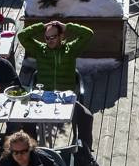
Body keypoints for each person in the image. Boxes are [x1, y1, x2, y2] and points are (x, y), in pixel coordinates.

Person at [17, 20, 96, 148]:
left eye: (53, 37)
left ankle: (84, 151)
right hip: (43, 98)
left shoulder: (70, 50)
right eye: (47, 38)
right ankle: (32, 150)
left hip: (66, 99)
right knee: (27, 120)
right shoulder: (39, 50)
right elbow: (22, 36)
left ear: (61, 36)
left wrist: (67, 26)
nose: (49, 41)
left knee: (86, 116)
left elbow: (88, 34)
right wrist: (42, 26)